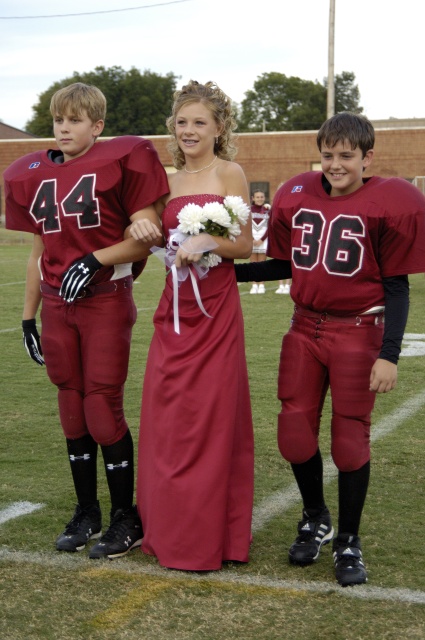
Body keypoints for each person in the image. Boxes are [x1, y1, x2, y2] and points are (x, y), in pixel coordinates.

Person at [235, 112, 425, 586]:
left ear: (367, 158)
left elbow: (397, 288)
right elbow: (284, 263)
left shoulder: (390, 201)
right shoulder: (298, 193)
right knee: (293, 432)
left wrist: (390, 354)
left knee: (349, 439)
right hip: (304, 327)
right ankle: (315, 516)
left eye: (346, 155)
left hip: (358, 332)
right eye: (327, 155)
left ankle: (349, 539)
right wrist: (225, 270)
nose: (335, 164)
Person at [4, 82, 169, 559]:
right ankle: (86, 511)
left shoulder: (122, 159)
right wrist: (28, 317)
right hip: (57, 304)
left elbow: (145, 236)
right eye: (58, 119)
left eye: (75, 120)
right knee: (71, 408)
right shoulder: (32, 173)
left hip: (104, 299)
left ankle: (124, 516)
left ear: (97, 126)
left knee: (101, 406)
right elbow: (38, 253)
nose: (63, 128)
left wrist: (96, 258)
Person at [128, 80, 255, 571]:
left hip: (216, 311)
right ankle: (167, 527)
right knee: (169, 416)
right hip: (174, 310)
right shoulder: (166, 181)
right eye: (182, 122)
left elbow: (244, 245)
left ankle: (207, 538)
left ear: (219, 128)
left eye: (199, 122)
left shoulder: (230, 172)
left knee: (210, 417)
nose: (189, 130)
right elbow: (146, 233)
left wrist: (207, 242)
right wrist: (139, 225)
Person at [249, 189, 270, 294]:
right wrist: (252, 239)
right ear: (253, 198)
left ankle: (261, 285)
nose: (260, 199)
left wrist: (262, 239)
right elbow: (246, 226)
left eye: (261, 197)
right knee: (253, 263)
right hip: (252, 239)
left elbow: (270, 226)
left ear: (264, 198)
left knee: (262, 263)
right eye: (257, 197)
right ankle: (254, 285)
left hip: (263, 239)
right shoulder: (249, 210)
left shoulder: (268, 210)